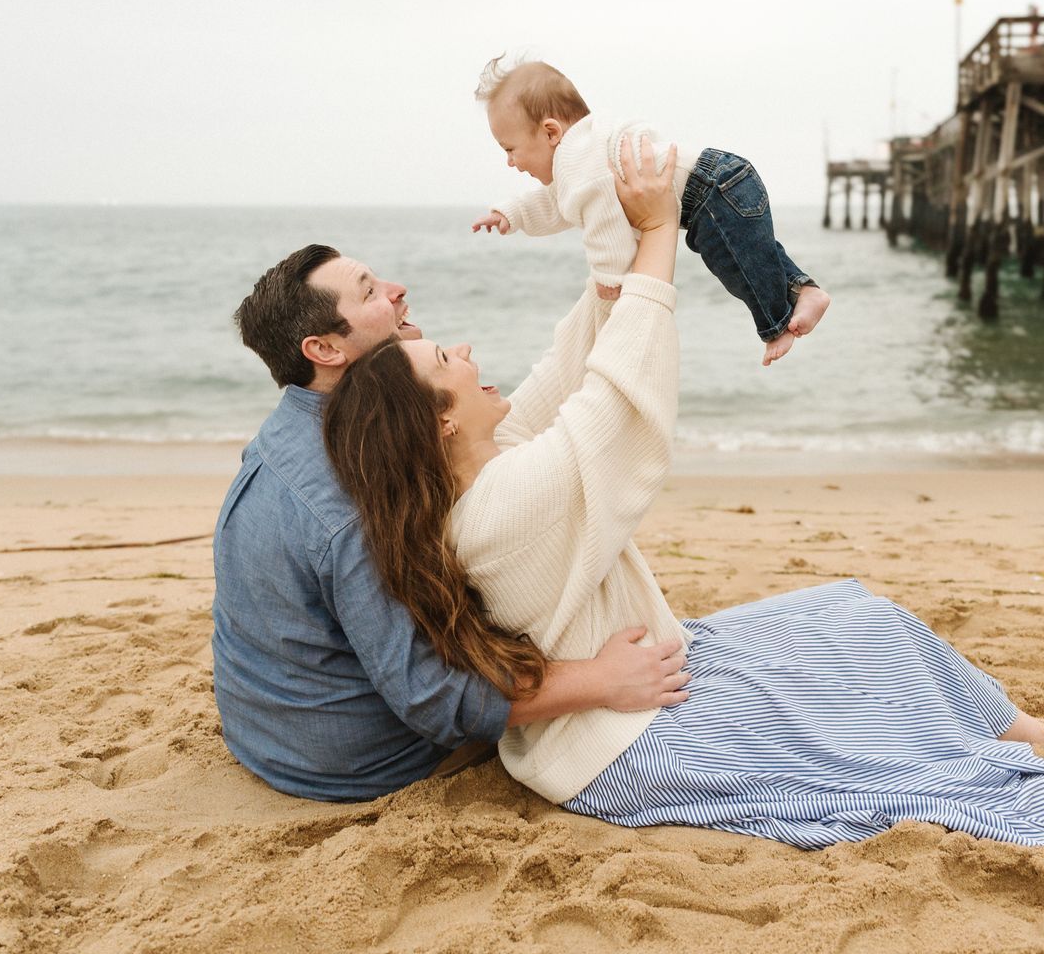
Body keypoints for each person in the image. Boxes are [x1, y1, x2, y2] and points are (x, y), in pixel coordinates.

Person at [323, 136, 1044, 848]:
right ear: (443, 421)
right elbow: (614, 395)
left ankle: (1019, 725)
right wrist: (659, 232)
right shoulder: (501, 504)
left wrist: (613, 253)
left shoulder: (486, 465)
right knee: (845, 737)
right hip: (622, 741)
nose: (462, 349)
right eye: (443, 360)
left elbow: (573, 359)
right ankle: (997, 752)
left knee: (862, 616)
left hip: (653, 665)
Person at [210, 244, 690, 802]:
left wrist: (608, 282)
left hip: (265, 729)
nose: (397, 290)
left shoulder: (294, 430)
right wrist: (600, 680)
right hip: (354, 760)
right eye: (369, 291)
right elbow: (431, 697)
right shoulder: (356, 494)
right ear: (324, 349)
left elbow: (535, 401)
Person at [468, 55, 829, 366]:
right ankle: (806, 292)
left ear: (550, 133)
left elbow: (603, 226)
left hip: (712, 190)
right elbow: (557, 203)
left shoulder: (578, 161)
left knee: (736, 261)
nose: (510, 162)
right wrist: (512, 213)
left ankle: (776, 325)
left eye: (510, 149)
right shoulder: (582, 158)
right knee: (755, 254)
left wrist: (610, 279)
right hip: (722, 180)